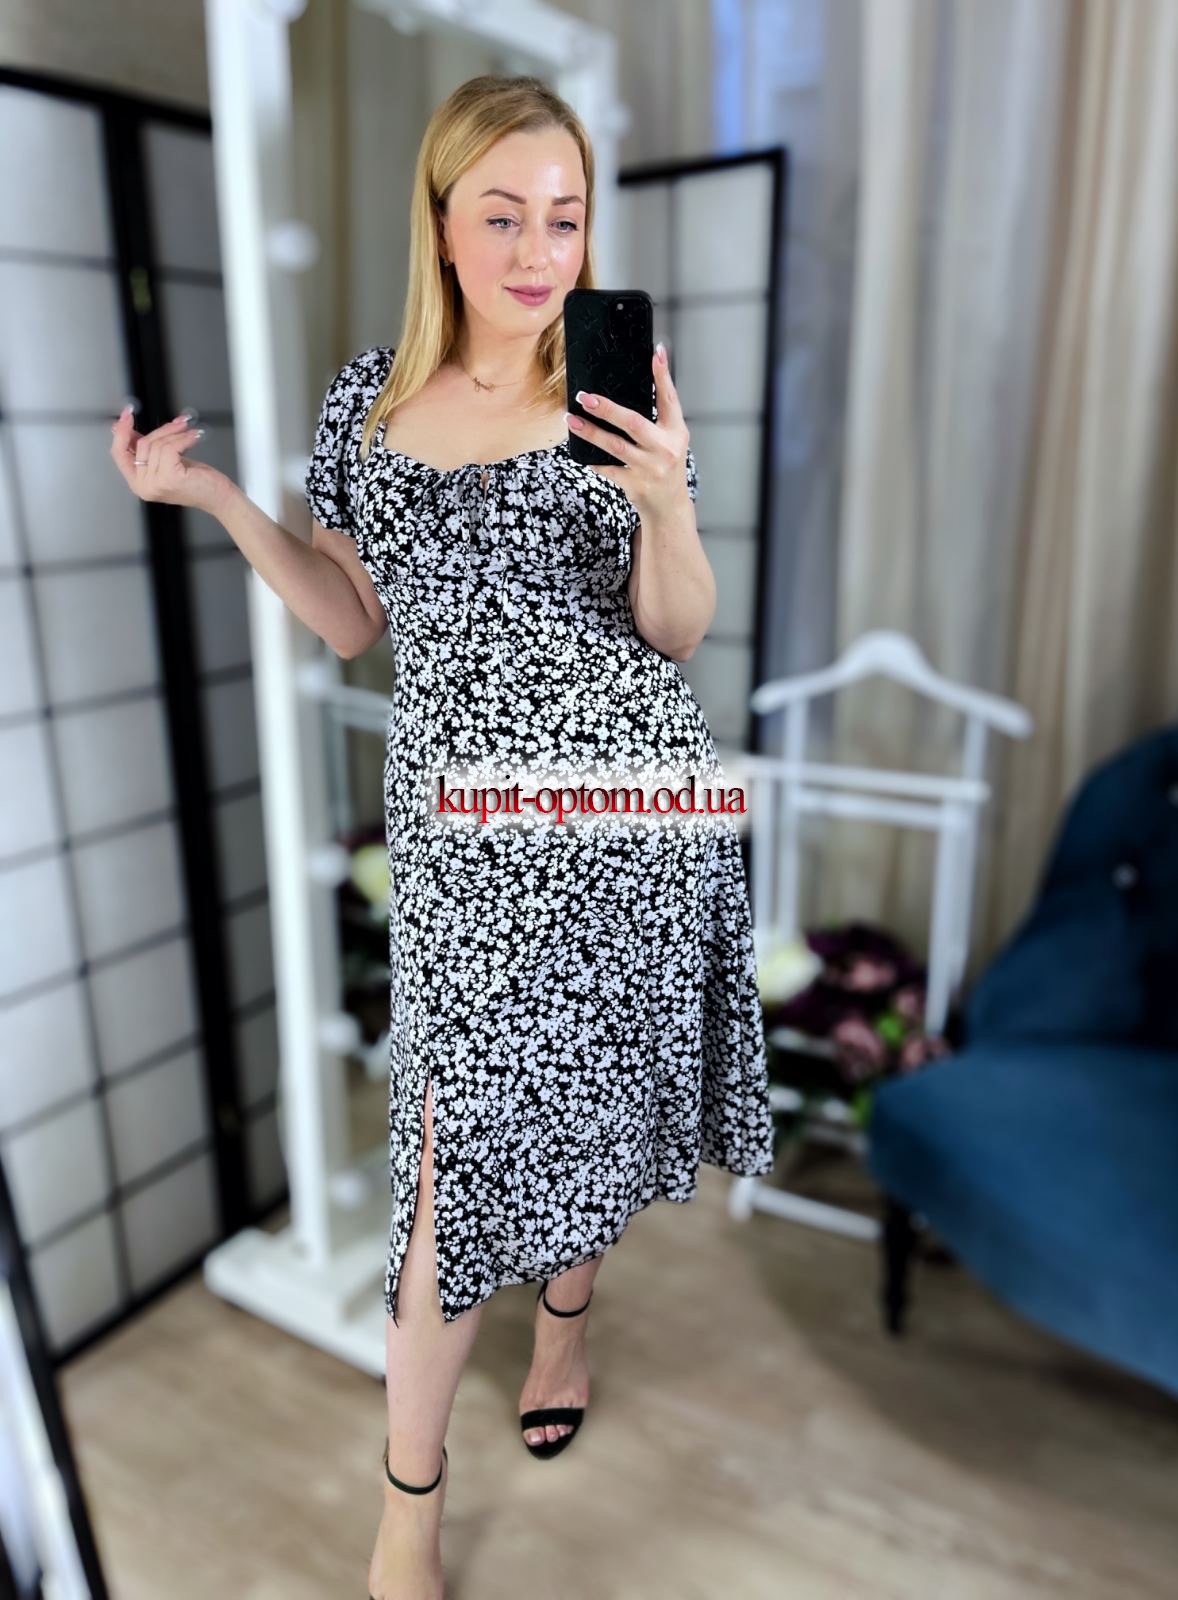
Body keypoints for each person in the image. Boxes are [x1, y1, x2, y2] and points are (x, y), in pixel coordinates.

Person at [110, 71, 775, 1600]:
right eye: (506, 215)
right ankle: (408, 1507)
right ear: (441, 224)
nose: (541, 251)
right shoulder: (367, 401)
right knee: (449, 1160)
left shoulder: (618, 386)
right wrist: (214, 498)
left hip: (622, 812)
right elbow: (351, 618)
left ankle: (565, 1331)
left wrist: (669, 503)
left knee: (590, 1108)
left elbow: (675, 631)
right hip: (465, 843)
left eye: (567, 217)